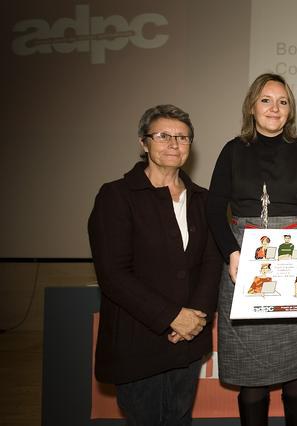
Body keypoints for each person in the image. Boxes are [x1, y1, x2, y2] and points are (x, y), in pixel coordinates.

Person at [207, 73, 297, 425]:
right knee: (251, 380)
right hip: (245, 265)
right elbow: (213, 209)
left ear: (290, 110)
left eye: (282, 102)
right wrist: (231, 252)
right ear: (251, 107)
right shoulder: (232, 151)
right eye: (266, 100)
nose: (274, 108)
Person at [88, 104, 222, 425]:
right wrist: (171, 317)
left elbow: (211, 263)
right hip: (139, 341)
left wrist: (195, 318)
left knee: (179, 419)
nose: (174, 144)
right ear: (143, 142)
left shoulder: (203, 199)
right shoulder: (117, 196)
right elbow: (113, 274)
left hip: (187, 340)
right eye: (163, 136)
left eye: (182, 137)